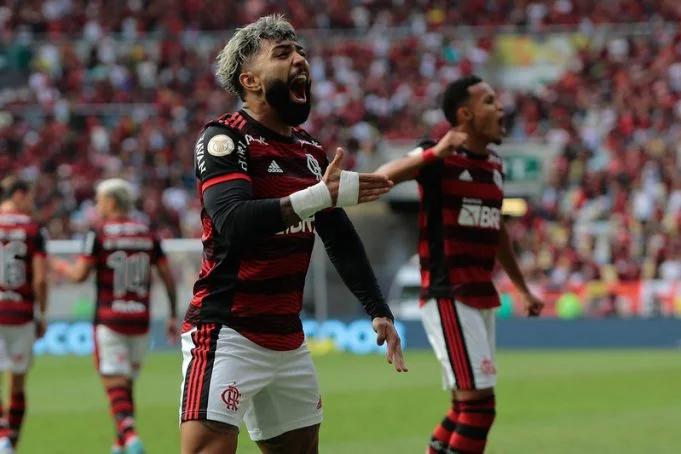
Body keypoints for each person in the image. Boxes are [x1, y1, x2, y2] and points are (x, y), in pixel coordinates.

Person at [179, 14, 407, 454]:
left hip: (287, 338)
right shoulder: (225, 138)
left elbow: (339, 237)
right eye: (282, 54)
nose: (300, 59)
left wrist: (378, 309)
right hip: (227, 330)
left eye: (300, 52)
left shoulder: (310, 152)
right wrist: (318, 195)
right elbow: (233, 221)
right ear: (250, 81)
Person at [376, 75, 544, 454]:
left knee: (464, 407)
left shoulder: (495, 164)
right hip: (449, 293)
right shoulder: (438, 155)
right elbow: (384, 175)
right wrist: (434, 153)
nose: (501, 109)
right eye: (490, 102)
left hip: (480, 294)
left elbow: (497, 228)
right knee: (480, 408)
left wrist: (522, 288)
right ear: (465, 114)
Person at [52, 178, 178, 454]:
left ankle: (130, 436)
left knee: (113, 380)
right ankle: (119, 444)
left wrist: (59, 266)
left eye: (100, 202)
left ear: (111, 202)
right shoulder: (148, 232)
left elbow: (79, 275)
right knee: (127, 384)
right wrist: (171, 314)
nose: (98, 207)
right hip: (141, 319)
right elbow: (168, 276)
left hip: (110, 318)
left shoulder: (99, 233)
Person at [0, 180, 48, 454]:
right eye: (30, 197)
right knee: (17, 385)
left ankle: (2, 438)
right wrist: (42, 313)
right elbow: (40, 279)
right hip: (21, 315)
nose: (32, 203)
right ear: (18, 195)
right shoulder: (33, 229)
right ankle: (10, 444)